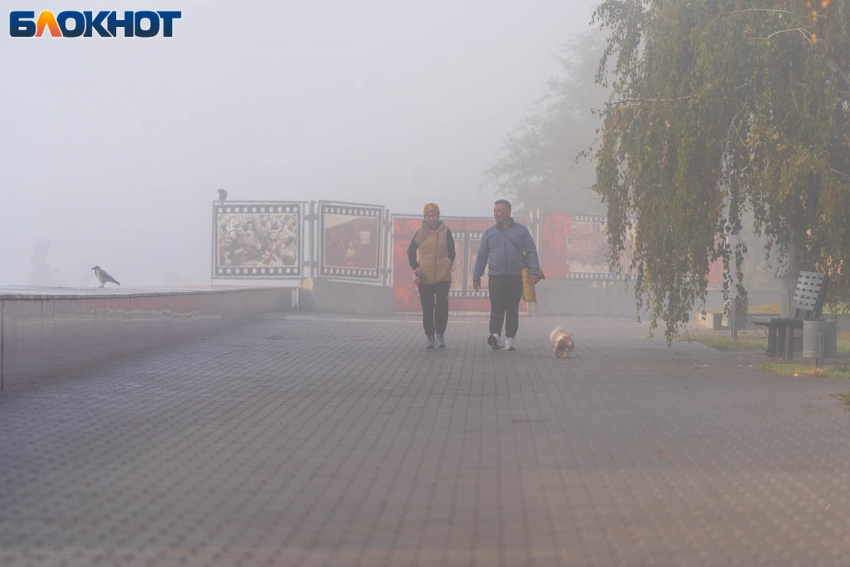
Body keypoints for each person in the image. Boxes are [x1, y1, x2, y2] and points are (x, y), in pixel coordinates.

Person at [472, 199, 540, 351]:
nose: (496, 213)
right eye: (495, 210)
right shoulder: (489, 232)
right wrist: (476, 276)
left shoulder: (521, 231)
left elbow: (531, 251)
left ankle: (510, 339)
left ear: (508, 212)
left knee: (512, 308)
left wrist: (534, 272)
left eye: (499, 211)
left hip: (515, 277)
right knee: (496, 308)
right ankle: (495, 335)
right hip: (496, 276)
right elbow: (482, 256)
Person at [408, 203, 456, 348]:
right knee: (427, 307)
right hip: (425, 276)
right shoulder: (420, 232)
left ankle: (440, 335)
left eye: (434, 215)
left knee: (441, 304)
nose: (431, 218)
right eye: (429, 216)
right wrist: (416, 267)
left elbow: (452, 252)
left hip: (443, 275)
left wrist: (447, 265)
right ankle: (430, 336)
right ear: (425, 217)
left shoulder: (446, 231)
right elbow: (410, 251)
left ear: (438, 216)